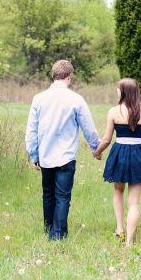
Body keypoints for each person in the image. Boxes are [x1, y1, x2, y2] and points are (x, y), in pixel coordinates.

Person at [25, 60, 100, 241]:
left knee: (48, 193)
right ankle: (58, 235)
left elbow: (31, 130)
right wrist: (96, 147)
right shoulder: (76, 99)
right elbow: (88, 127)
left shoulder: (39, 99)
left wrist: (33, 154)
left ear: (54, 75)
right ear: (69, 77)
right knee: (63, 196)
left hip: (45, 154)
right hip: (66, 156)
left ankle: (48, 228)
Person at [93, 78, 141, 247]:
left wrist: (97, 152)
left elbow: (106, 139)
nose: (117, 91)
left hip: (120, 153)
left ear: (123, 92)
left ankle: (120, 229)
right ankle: (129, 242)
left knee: (118, 191)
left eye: (118, 89)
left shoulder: (114, 111)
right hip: (140, 154)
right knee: (134, 202)